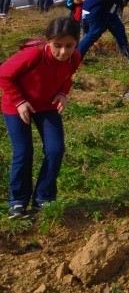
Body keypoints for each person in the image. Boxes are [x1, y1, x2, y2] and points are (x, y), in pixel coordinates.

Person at [0, 17, 82, 218]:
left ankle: (43, 199)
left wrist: (63, 93)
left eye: (69, 46)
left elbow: (67, 76)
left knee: (55, 150)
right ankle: (18, 201)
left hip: (47, 105)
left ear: (76, 43)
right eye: (57, 45)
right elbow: (3, 74)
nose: (63, 52)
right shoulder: (34, 55)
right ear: (48, 41)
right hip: (16, 106)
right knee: (23, 151)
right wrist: (19, 102)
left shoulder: (74, 57)